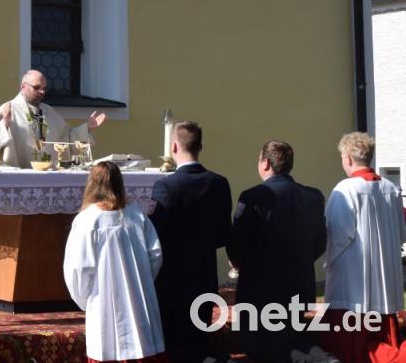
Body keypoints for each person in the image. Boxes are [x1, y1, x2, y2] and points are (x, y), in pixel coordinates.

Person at [227, 140, 336, 363]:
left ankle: (296, 356)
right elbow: (319, 241)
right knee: (293, 333)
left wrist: (238, 263)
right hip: (299, 283)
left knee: (260, 343)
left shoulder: (253, 196)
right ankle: (310, 354)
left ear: (265, 163)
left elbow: (237, 242)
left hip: (260, 287)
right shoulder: (313, 197)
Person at [63, 161, 167, 363]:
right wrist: (141, 282)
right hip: (139, 301)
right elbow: (155, 254)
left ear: (92, 184)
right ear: (120, 183)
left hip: (103, 303)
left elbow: (78, 269)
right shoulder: (135, 214)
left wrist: (87, 301)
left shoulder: (87, 220)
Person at [149, 120, 231, 363]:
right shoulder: (219, 183)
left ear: (174, 147)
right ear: (201, 146)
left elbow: (156, 234)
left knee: (174, 340)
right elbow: (224, 233)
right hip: (204, 271)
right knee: (199, 335)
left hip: (172, 276)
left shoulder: (166, 185)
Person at [321, 132, 405, 363]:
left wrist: (327, 262)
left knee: (351, 350)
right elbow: (401, 232)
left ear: (347, 158)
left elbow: (337, 235)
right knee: (381, 340)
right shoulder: (391, 188)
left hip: (353, 283)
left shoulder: (346, 189)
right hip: (385, 281)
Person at [0, 69, 105, 168]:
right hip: (19, 177)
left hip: (47, 175)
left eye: (44, 88)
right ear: (23, 86)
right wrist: (4, 124)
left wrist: (87, 128)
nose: (42, 91)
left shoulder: (49, 112)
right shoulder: (8, 109)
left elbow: (66, 138)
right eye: (37, 87)